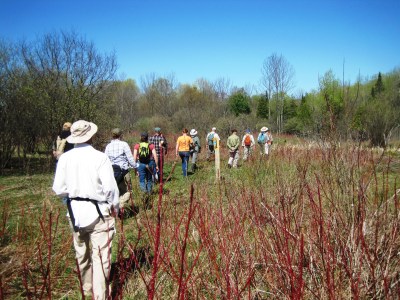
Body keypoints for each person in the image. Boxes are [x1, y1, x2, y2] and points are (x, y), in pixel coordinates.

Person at [52, 120, 119, 299]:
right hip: (100, 214)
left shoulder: (64, 158)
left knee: (82, 255)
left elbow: (58, 189)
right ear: (92, 136)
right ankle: (100, 295)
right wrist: (115, 208)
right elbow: (111, 189)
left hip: (75, 214)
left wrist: (75, 193)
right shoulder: (100, 157)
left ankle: (87, 290)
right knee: (101, 257)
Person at [105, 128, 136, 210]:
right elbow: (130, 158)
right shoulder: (124, 144)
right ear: (121, 135)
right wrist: (135, 166)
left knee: (116, 192)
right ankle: (121, 205)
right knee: (129, 191)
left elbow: (106, 160)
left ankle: (115, 210)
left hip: (112, 172)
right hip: (124, 171)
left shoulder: (108, 146)